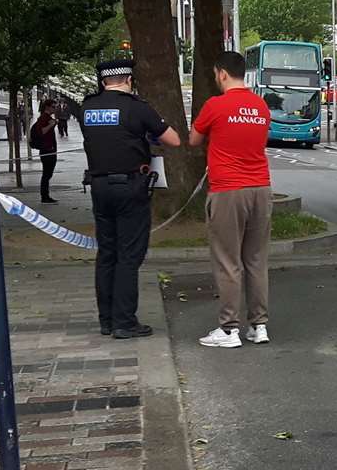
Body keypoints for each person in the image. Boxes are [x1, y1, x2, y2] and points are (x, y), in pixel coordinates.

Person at [81, 58, 179, 339]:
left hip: (99, 188)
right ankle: (125, 321)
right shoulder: (137, 108)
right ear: (129, 80)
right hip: (130, 189)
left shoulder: (88, 108)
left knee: (107, 253)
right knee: (128, 256)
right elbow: (173, 140)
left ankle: (107, 320)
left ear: (103, 82)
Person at [189, 51, 272, 349]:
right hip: (261, 188)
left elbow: (193, 139)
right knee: (256, 260)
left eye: (215, 74)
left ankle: (228, 330)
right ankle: (259, 326)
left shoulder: (215, 105)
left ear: (222, 73)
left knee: (228, 261)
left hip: (228, 190)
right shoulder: (261, 106)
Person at [29, 99, 61, 203]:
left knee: (48, 173)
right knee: (47, 174)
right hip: (47, 150)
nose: (54, 109)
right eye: (53, 106)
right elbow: (41, 132)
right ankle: (44, 196)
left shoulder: (47, 118)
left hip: (49, 149)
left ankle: (45, 195)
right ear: (47, 107)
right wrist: (51, 124)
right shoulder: (43, 118)